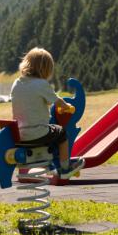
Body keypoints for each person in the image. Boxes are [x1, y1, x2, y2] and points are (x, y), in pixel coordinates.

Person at [10, 47, 84, 178]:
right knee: (61, 133)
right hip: (38, 133)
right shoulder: (41, 84)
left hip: (19, 135)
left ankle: (49, 164)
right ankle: (65, 167)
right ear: (46, 69)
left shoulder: (17, 83)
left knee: (51, 131)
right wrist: (67, 106)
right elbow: (56, 100)